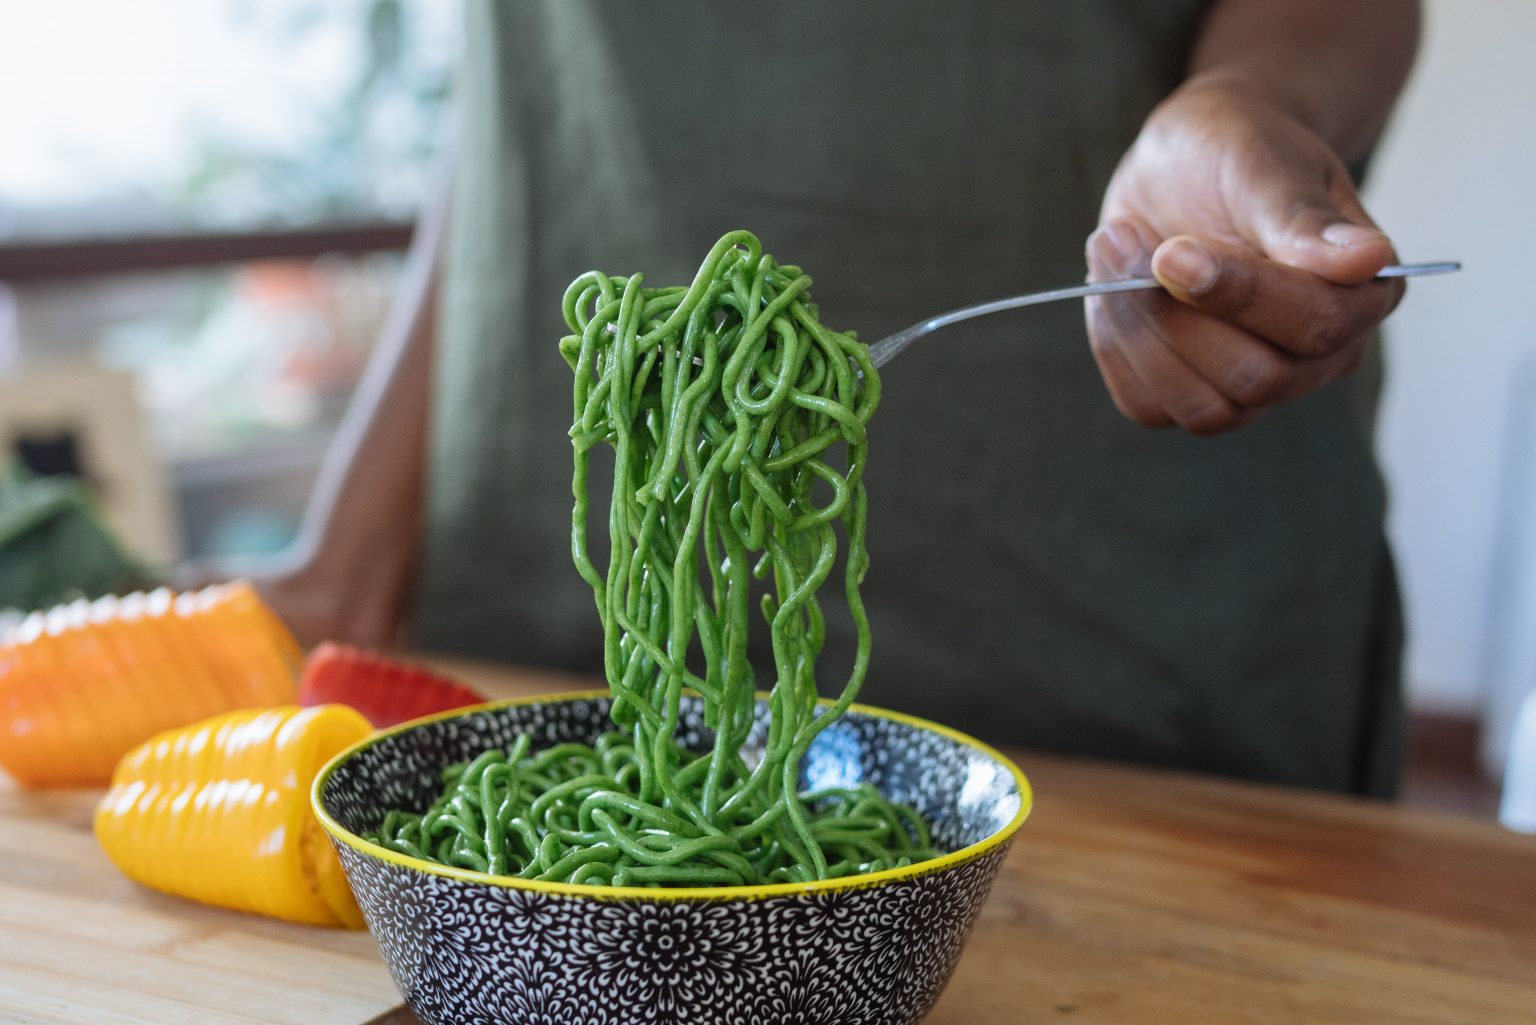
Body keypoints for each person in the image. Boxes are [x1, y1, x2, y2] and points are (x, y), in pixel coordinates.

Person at [223, 1, 1421, 796]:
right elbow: (525, 81)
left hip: (1124, 591)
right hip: (538, 605)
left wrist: (1251, 97)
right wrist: (356, 538)